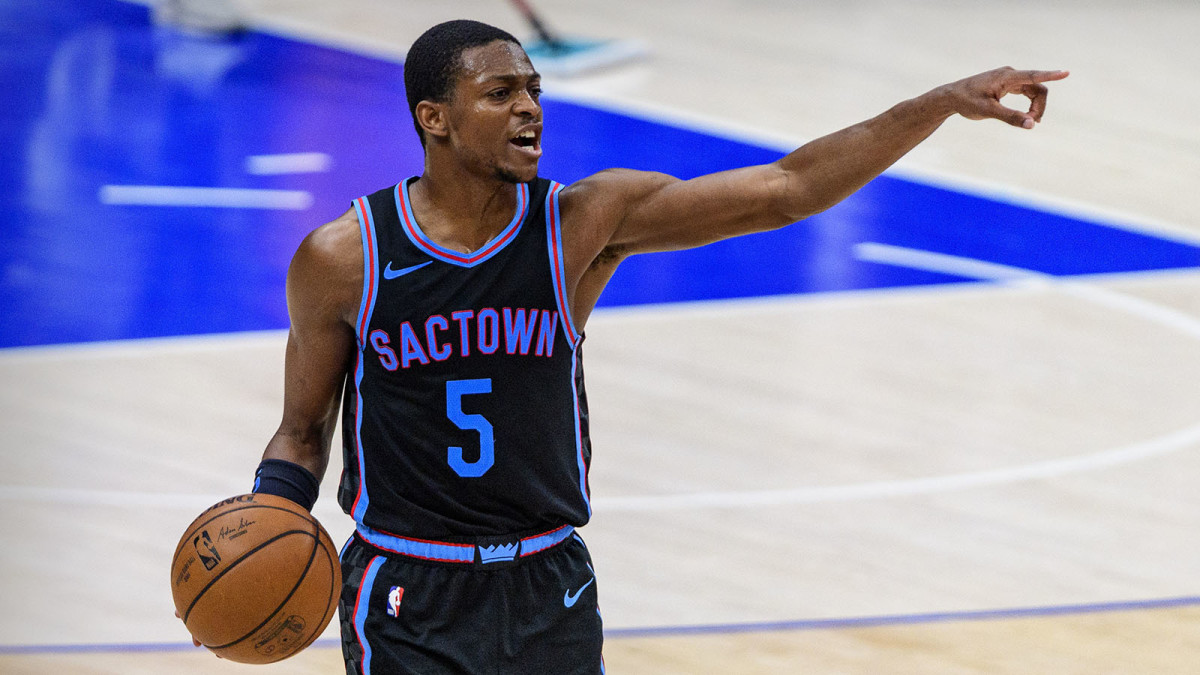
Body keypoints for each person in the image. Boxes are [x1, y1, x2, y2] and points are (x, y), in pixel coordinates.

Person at [205, 18, 1066, 675]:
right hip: (406, 590)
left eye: (533, 88)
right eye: (500, 92)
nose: (529, 106)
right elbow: (303, 429)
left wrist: (940, 103)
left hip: (549, 584)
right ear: (435, 118)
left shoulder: (582, 224)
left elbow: (787, 188)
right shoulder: (344, 257)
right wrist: (268, 519)